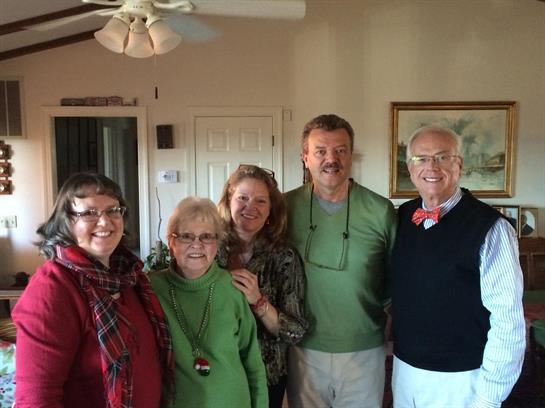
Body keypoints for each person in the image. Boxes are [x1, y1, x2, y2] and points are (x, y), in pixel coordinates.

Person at [391, 126, 526, 407]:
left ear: (459, 165)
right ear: (410, 167)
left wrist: (489, 397)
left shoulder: (491, 228)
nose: (431, 166)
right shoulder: (402, 216)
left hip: (463, 379)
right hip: (405, 371)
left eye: (443, 157)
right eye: (421, 158)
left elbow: (508, 320)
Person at [12, 172, 173, 408]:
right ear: (66, 222)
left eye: (113, 210)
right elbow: (36, 399)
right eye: (89, 212)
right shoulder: (51, 288)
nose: (105, 222)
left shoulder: (128, 277)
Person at [284, 114, 397, 407]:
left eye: (340, 150)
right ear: (305, 157)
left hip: (364, 349)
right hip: (302, 348)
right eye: (320, 151)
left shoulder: (380, 210)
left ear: (351, 155)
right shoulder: (283, 208)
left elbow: (397, 277)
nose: (331, 159)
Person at [150, 196, 268, 408]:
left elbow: (253, 362)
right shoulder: (151, 289)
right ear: (171, 241)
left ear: (217, 243)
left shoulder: (233, 287)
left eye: (206, 237)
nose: (197, 245)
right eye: (186, 236)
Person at [216, 164, 308, 408]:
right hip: (216, 373)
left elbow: (295, 331)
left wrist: (258, 301)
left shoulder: (284, 256)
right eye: (242, 198)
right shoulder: (208, 248)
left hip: (267, 377)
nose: (251, 207)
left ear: (270, 210)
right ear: (228, 200)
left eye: (260, 201)